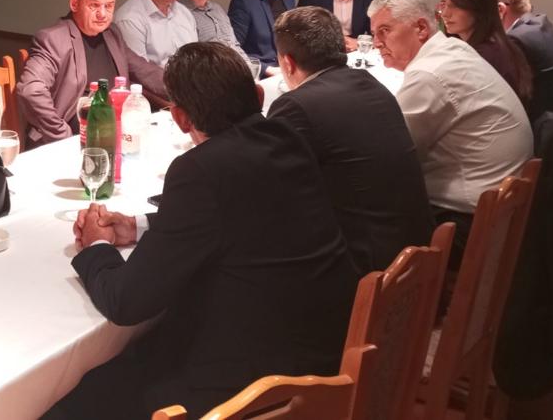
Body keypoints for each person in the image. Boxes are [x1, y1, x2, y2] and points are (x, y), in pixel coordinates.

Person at [47, 43, 359, 420]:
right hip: (326, 362)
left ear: (180, 117)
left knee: (65, 401)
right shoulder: (287, 139)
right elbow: (242, 216)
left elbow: (126, 303)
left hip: (249, 391)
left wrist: (95, 245)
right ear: (257, 95)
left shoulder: (200, 170)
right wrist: (137, 226)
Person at [368, 0, 533, 265]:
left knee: (357, 210)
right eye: (374, 33)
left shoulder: (429, 74)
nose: (376, 43)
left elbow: (388, 160)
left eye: (385, 31)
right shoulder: (453, 48)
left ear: (421, 28)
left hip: (467, 224)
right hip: (495, 210)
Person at [268, 6, 433, 274]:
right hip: (417, 251)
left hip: (370, 269)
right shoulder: (372, 84)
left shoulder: (296, 106)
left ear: (287, 63)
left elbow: (274, 193)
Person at [17, 0, 166, 148]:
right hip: (72, 141)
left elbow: (144, 70)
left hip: (115, 134)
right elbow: (31, 90)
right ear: (74, 3)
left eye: (109, 6)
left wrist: (186, 87)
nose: (102, 14)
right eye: (94, 5)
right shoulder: (53, 39)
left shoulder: (112, 34)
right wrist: (62, 135)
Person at [438, 0, 532, 107]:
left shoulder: (485, 55)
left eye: (455, 6)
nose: (445, 14)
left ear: (478, 8)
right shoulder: (495, 45)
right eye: (443, 4)